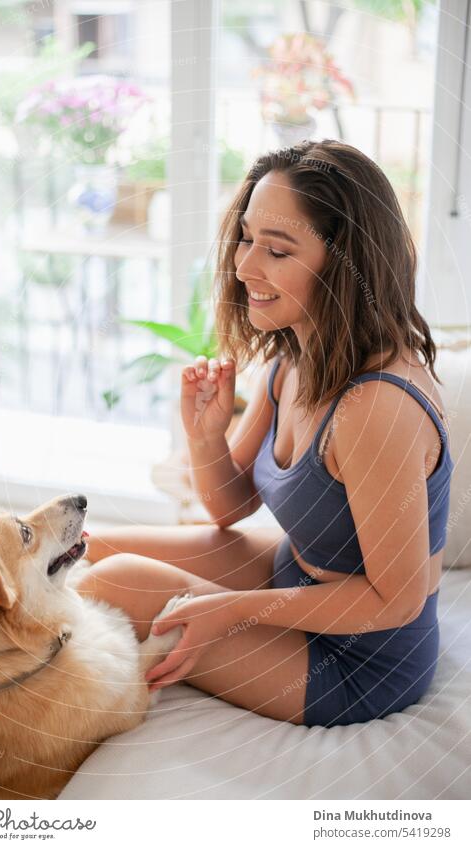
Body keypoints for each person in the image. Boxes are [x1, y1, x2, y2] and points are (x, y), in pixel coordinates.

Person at [76, 140, 454, 727]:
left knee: (112, 582)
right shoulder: (295, 357)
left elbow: (397, 600)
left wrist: (230, 612)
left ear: (343, 264)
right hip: (293, 573)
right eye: (247, 238)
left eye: (276, 250)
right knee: (88, 549)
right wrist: (206, 437)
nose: (244, 265)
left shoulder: (376, 408)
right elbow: (230, 508)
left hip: (360, 658)